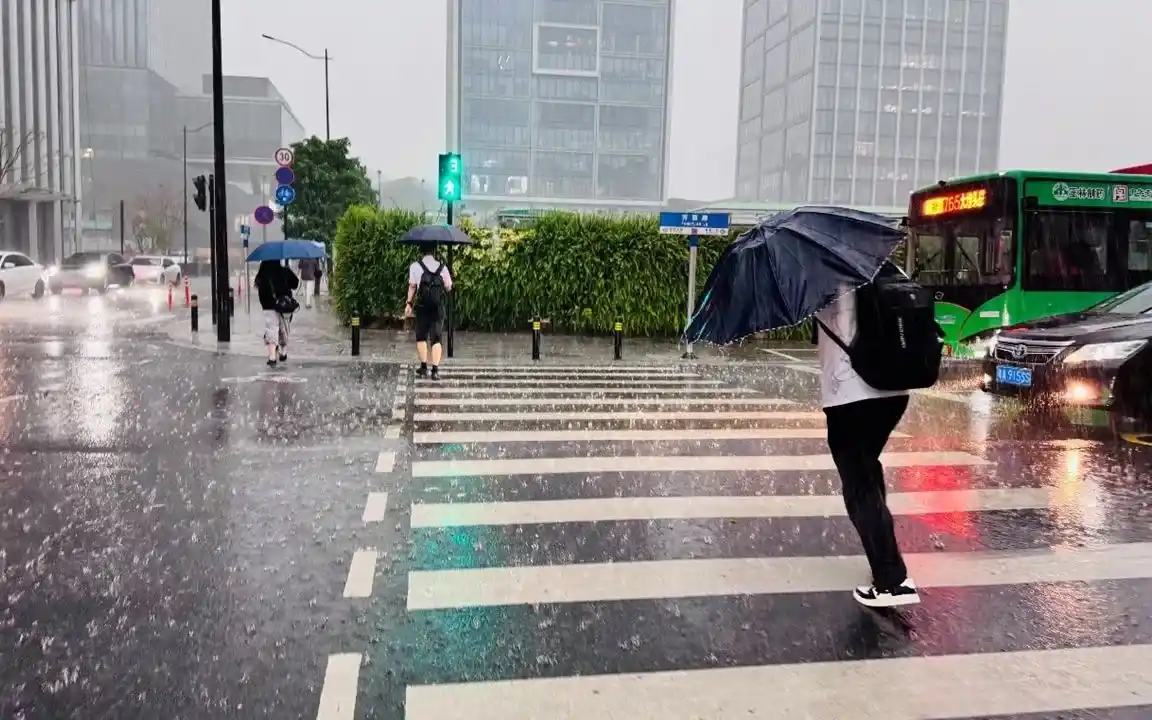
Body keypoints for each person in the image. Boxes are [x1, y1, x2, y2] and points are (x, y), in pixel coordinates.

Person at [814, 278, 920, 609]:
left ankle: (892, 579)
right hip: (893, 391)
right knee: (866, 471)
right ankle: (883, 555)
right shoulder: (879, 268)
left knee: (858, 485)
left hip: (850, 397)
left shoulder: (822, 279)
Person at [405, 244, 452, 380]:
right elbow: (449, 287)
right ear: (434, 252)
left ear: (422, 252)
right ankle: (435, 370)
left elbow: (412, 287)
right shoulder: (443, 268)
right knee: (436, 337)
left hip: (422, 306)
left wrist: (408, 303)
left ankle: (424, 367)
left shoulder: (415, 266)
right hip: (437, 307)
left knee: (421, 336)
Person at [255, 260, 299, 367]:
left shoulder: (262, 276)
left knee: (271, 328)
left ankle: (272, 356)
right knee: (284, 328)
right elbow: (295, 284)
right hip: (284, 306)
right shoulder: (284, 271)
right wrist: (288, 271)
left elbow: (262, 294)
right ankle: (283, 352)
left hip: (268, 306)